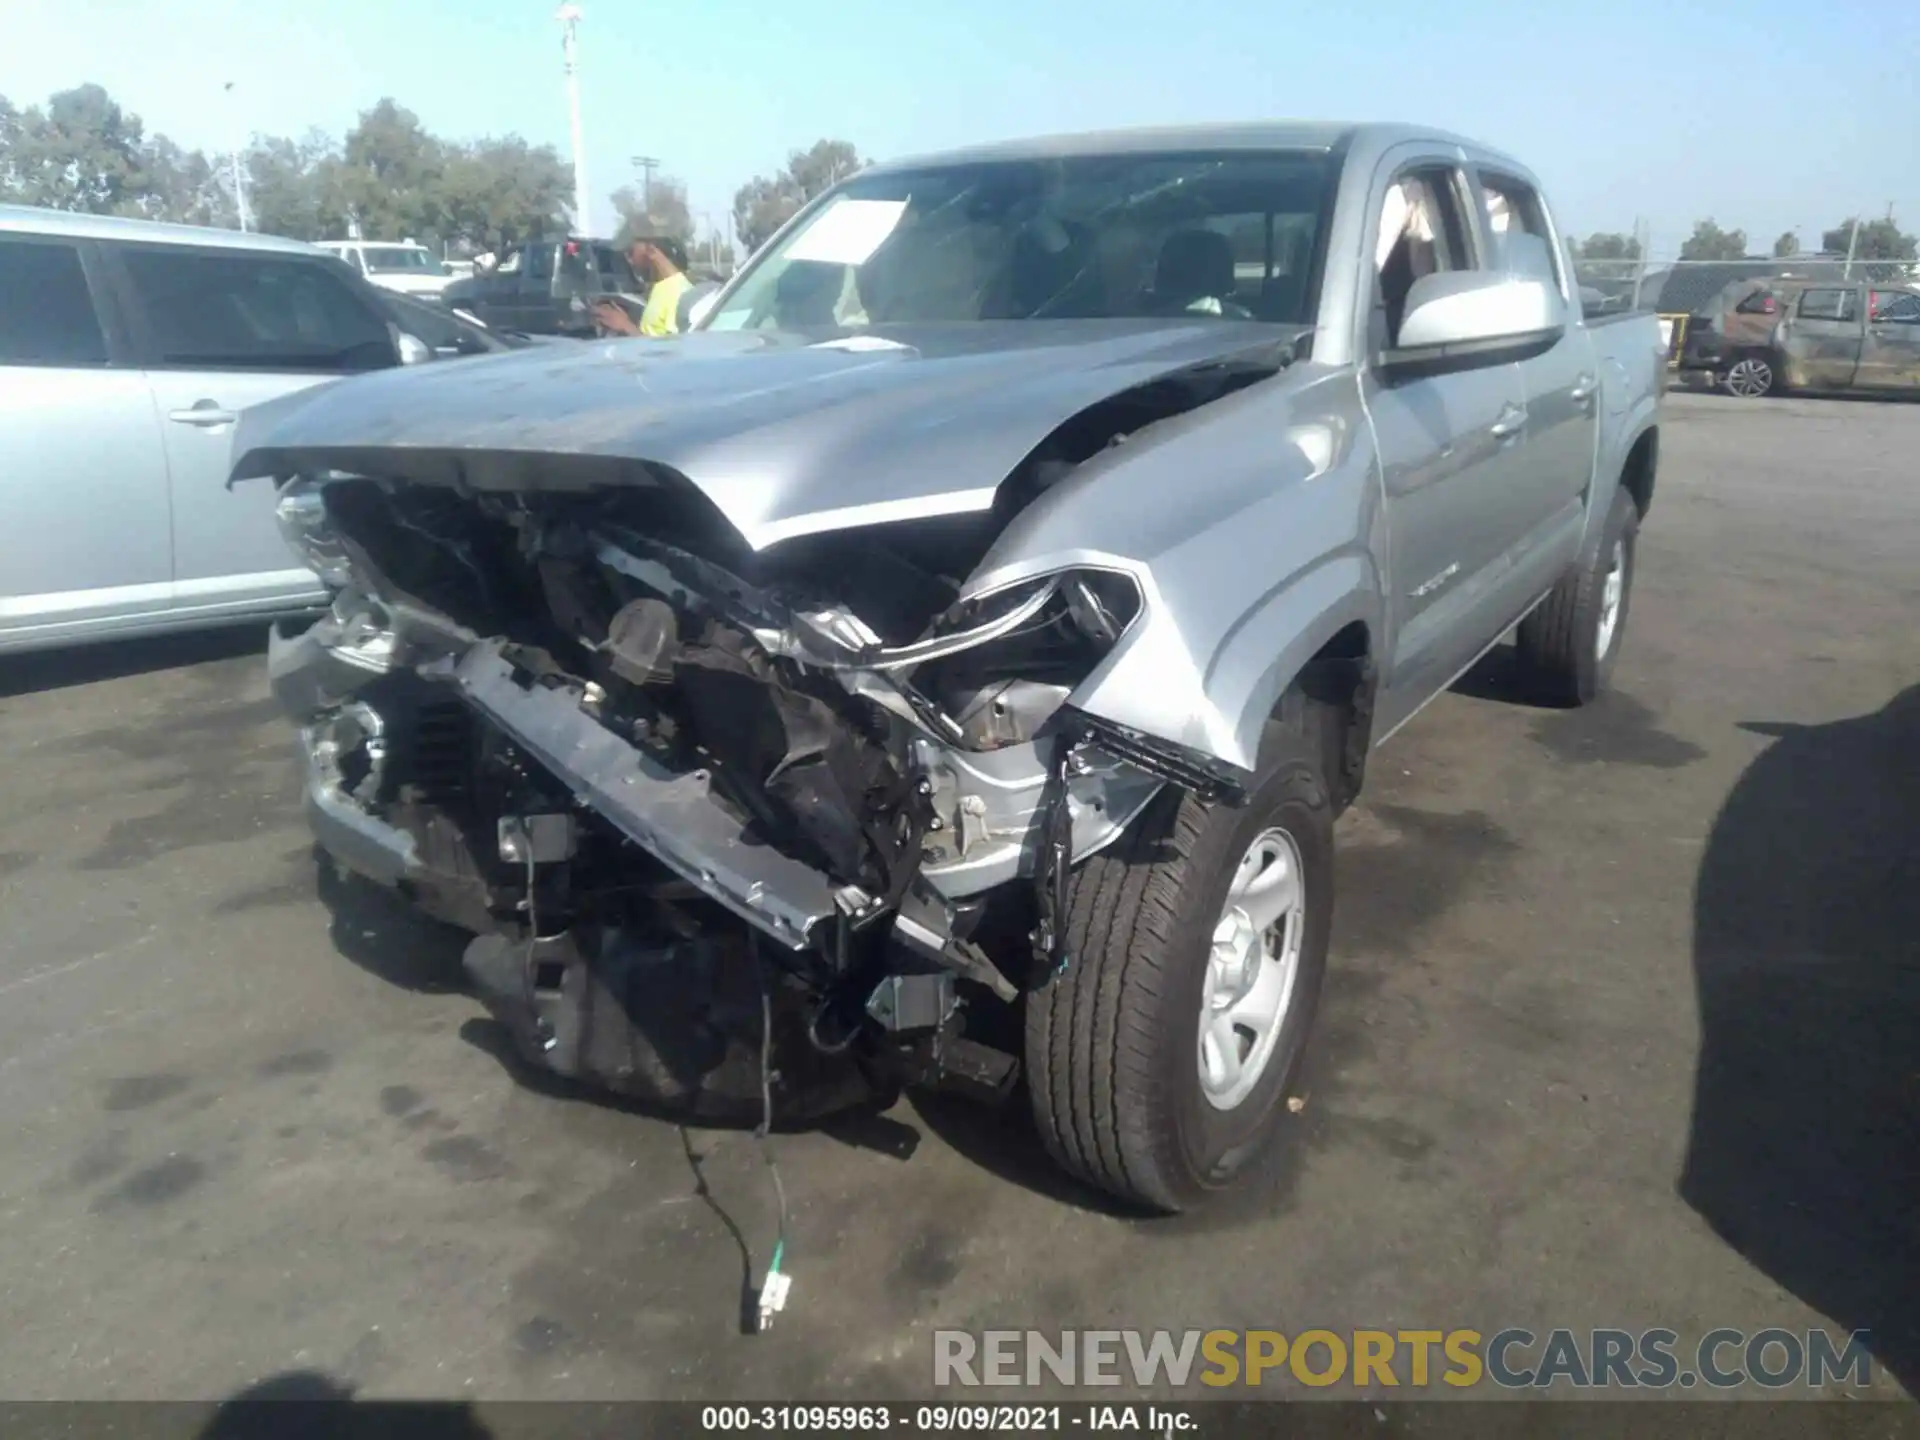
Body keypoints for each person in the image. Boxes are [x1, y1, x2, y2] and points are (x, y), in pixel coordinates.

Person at [595, 235, 692, 338]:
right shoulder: (664, 288)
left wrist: (626, 326)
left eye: (631, 253)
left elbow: (672, 349)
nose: (630, 261)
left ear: (651, 250)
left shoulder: (677, 293)